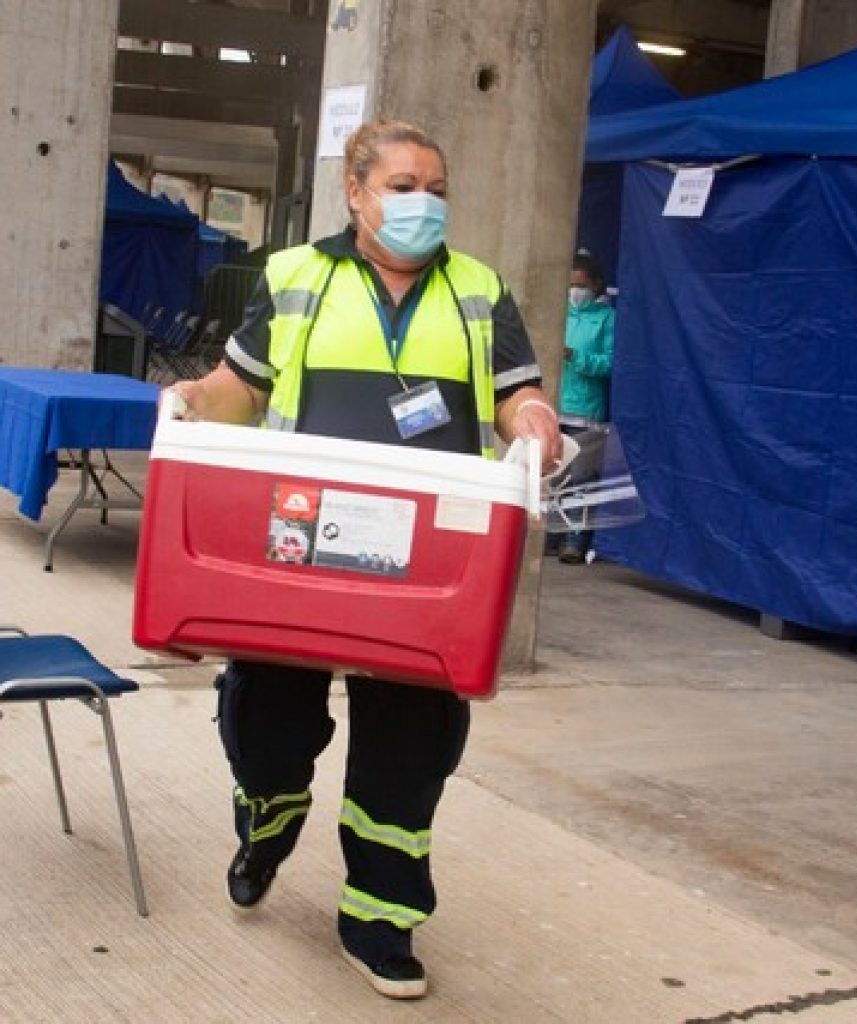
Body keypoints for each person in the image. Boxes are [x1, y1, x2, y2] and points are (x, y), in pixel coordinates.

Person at [168, 119, 561, 1001]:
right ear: (356, 191)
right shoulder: (296, 277)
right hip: (299, 539)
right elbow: (239, 393)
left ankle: (380, 917)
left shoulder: (479, 291)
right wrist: (190, 400)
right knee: (265, 716)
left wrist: (536, 425)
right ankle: (268, 817)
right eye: (403, 183)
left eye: (436, 185)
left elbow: (516, 396)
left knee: (413, 739)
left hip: (431, 555)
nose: (424, 201)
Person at [555, 249, 616, 563]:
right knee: (552, 475)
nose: (575, 292)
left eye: (581, 285)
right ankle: (549, 537)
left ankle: (575, 540)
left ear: (595, 286)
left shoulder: (606, 318)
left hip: (586, 410)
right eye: (571, 285)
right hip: (554, 405)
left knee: (581, 479)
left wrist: (577, 357)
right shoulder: (558, 312)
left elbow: (611, 363)